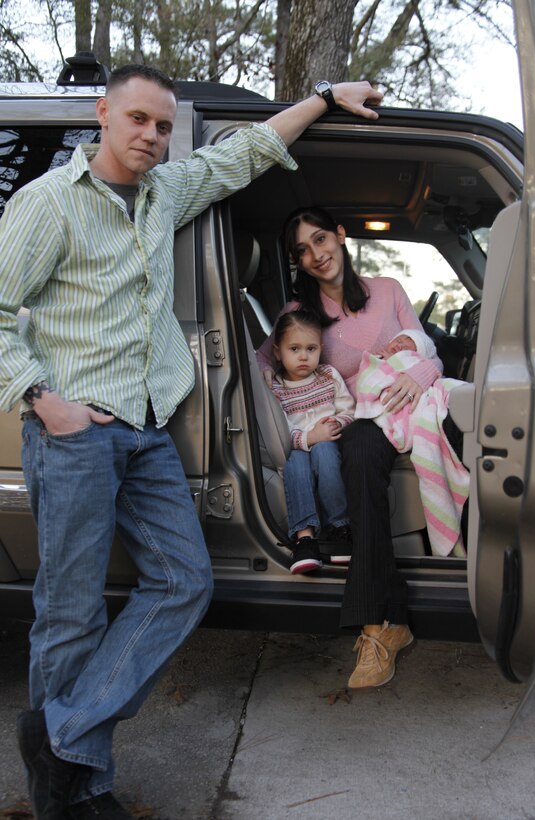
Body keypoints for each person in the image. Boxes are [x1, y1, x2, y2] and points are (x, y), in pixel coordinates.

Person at [0, 68, 383, 819]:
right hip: (75, 432)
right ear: (103, 115)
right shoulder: (46, 203)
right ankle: (77, 792)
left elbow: (242, 154)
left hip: (145, 429)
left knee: (183, 582)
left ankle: (61, 737)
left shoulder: (162, 194)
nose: (151, 135)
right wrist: (46, 404)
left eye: (163, 125)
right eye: (138, 119)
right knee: (70, 613)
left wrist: (324, 99)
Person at [257, 206, 443, 690]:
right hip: (353, 422)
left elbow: (427, 348)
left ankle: (387, 623)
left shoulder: (387, 290)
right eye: (303, 250)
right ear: (298, 261)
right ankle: (377, 627)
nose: (316, 255)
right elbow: (258, 365)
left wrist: (418, 373)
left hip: (399, 408)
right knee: (359, 446)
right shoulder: (298, 317)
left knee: (364, 444)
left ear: (340, 236)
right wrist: (298, 421)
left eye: (321, 239)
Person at [355, 328, 469, 557]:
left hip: (426, 399)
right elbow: (369, 384)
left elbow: (432, 360)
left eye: (409, 344)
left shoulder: (391, 294)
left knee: (453, 406)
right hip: (368, 421)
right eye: (397, 339)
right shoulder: (375, 363)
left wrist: (421, 373)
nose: (401, 344)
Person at [271, 309, 354, 574]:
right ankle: (304, 538)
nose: (304, 356)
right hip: (297, 445)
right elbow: (282, 431)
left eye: (311, 348)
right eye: (294, 348)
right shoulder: (276, 388)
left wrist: (335, 425)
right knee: (295, 464)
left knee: (325, 453)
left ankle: (341, 529)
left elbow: (349, 410)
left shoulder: (328, 376)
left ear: (321, 349)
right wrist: (309, 437)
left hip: (329, 442)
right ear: (277, 352)